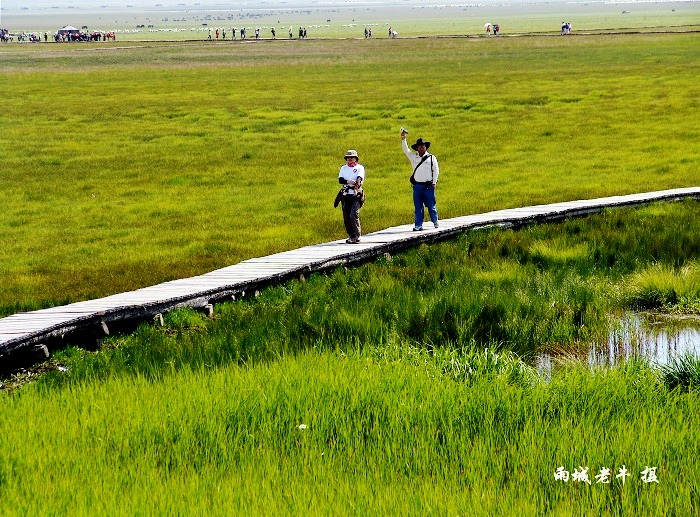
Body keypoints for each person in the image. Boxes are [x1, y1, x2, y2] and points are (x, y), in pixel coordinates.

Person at [402, 130, 439, 231]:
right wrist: (403, 139)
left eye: (423, 146)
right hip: (417, 186)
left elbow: (436, 170)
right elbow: (406, 150)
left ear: (425, 147)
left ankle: (435, 220)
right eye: (419, 146)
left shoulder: (432, 158)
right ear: (417, 148)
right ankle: (418, 225)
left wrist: (434, 182)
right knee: (418, 207)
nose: (421, 147)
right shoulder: (414, 157)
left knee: (431, 205)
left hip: (428, 186)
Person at [337, 149, 365, 244]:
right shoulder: (343, 168)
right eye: (348, 158)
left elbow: (359, 178)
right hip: (346, 194)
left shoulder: (360, 168)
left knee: (354, 214)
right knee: (346, 216)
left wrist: (356, 187)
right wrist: (348, 182)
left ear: (355, 158)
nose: (350, 159)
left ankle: (358, 235)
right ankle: (352, 236)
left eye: (352, 158)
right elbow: (340, 180)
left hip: (356, 194)